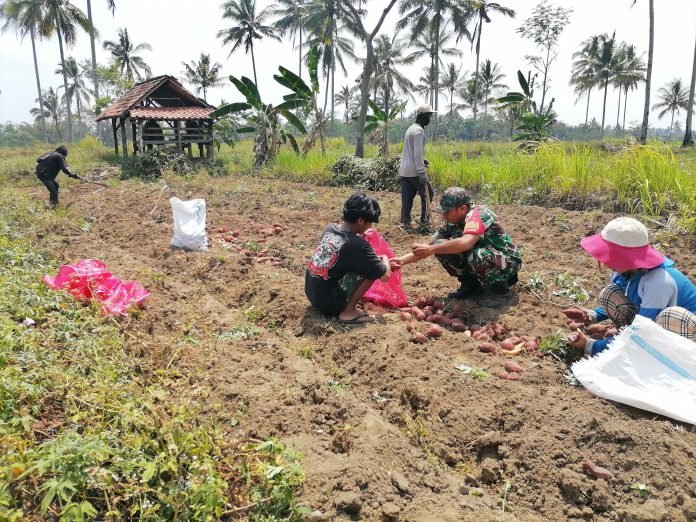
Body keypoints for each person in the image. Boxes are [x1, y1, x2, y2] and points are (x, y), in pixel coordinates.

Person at [565, 216, 696, 356]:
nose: (606, 262)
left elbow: (642, 331)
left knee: (670, 317)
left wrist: (591, 346)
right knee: (610, 293)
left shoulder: (658, 282)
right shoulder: (622, 271)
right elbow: (634, 311)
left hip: (687, 335)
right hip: (653, 325)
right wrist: (591, 315)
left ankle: (666, 359)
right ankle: (630, 344)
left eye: (612, 256)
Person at [391, 187, 522, 300]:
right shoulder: (451, 222)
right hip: (485, 261)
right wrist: (400, 261)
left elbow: (465, 243)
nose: (444, 215)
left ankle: (500, 291)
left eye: (447, 212)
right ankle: (471, 286)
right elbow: (428, 246)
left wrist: (432, 249)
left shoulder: (479, 215)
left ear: (462, 209)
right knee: (441, 245)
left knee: (477, 255)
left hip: (506, 263)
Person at [305, 193, 392, 324]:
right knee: (373, 271)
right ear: (361, 220)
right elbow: (385, 276)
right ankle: (348, 312)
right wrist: (384, 257)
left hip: (312, 294)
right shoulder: (357, 245)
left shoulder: (330, 228)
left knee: (367, 264)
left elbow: (343, 253)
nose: (370, 226)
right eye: (370, 222)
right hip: (328, 304)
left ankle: (344, 304)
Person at [399, 105, 436, 229]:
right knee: (428, 193)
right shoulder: (419, 132)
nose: (430, 119)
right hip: (414, 170)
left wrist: (422, 161)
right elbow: (417, 154)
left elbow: (411, 151)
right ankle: (424, 220)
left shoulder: (411, 129)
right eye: (429, 116)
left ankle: (405, 220)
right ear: (423, 116)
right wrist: (421, 172)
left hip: (405, 169)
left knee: (407, 196)